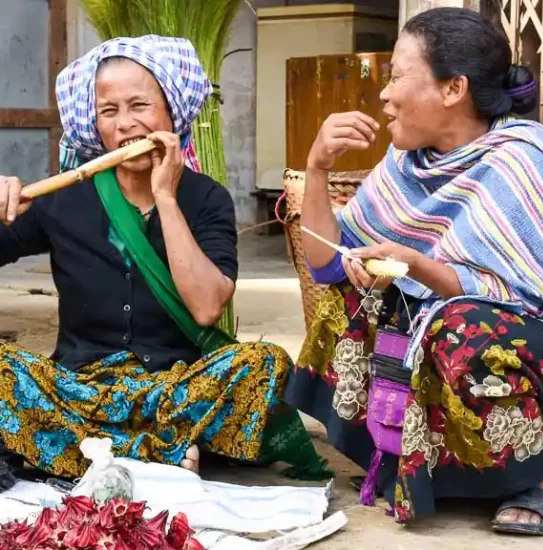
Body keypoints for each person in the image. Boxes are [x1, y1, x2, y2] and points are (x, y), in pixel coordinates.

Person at [0, 35, 328, 482]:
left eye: (140, 106)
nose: (126, 125)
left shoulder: (206, 198)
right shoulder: (63, 198)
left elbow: (208, 306)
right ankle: (149, 453)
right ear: (94, 124)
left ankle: (88, 451)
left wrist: (165, 198)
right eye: (109, 112)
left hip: (175, 389)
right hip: (79, 389)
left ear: (170, 110)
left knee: (264, 363)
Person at [284, 7, 543, 536]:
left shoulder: (523, 159)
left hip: (527, 341)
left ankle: (539, 477)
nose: (384, 94)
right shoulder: (406, 164)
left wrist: (417, 266)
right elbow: (327, 263)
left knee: (462, 328)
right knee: (351, 302)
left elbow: (521, 294)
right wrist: (316, 166)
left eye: (397, 77)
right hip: (445, 329)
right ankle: (416, 458)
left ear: (453, 88)